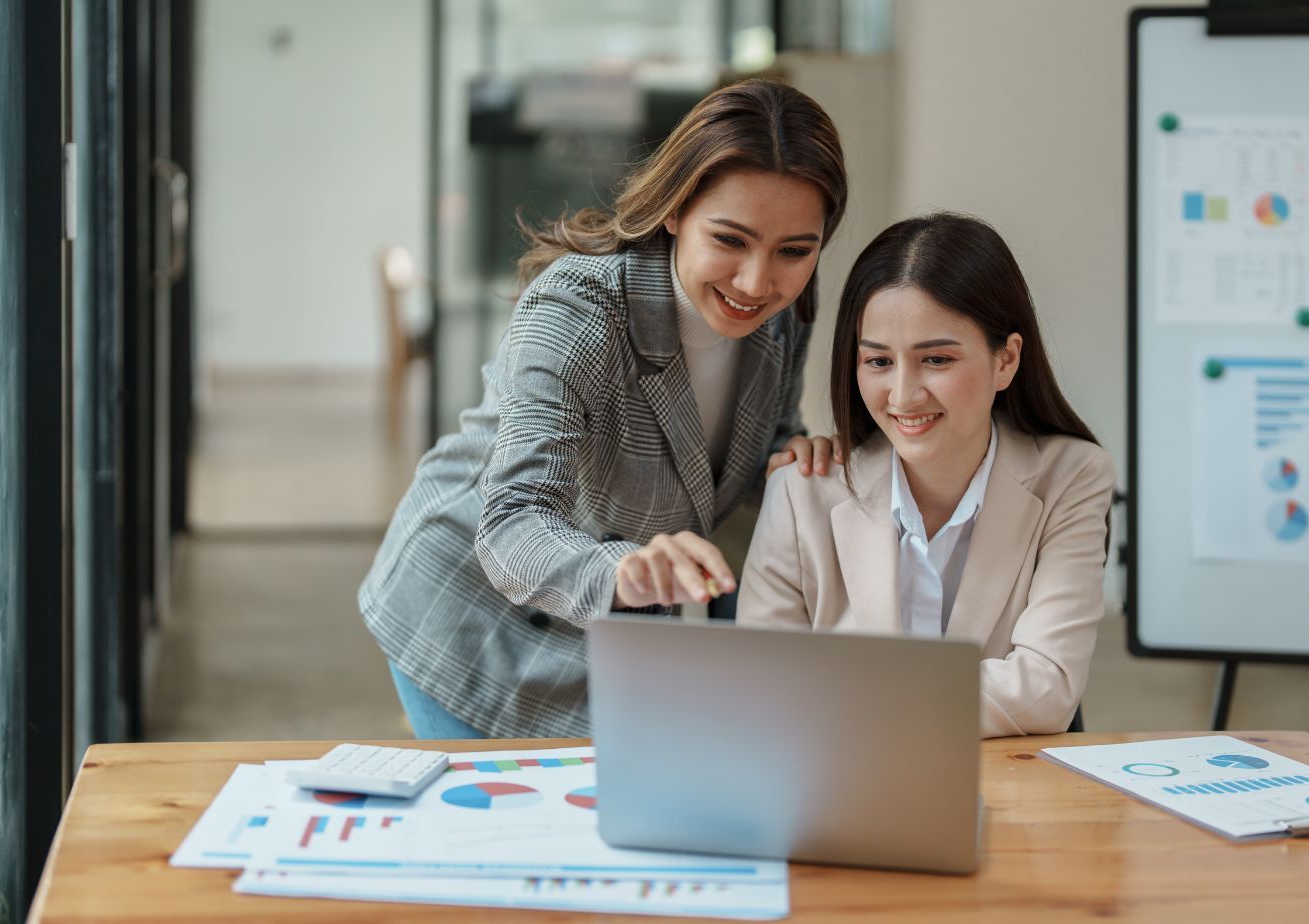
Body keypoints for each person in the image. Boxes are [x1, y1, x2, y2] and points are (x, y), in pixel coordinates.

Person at [361, 79, 848, 738]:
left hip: (606, 633)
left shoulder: (786, 315)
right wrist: (623, 570)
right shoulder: (578, 314)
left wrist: (794, 456)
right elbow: (512, 525)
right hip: (467, 614)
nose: (757, 282)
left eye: (795, 250)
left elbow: (759, 438)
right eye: (730, 240)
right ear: (675, 210)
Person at [736, 212, 1115, 737]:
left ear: (1006, 360)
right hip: (843, 797)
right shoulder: (802, 489)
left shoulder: (1071, 477)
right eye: (878, 362)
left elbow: (1045, 690)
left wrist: (839, 695)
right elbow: (760, 690)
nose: (903, 396)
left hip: (1008, 795)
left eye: (935, 359)